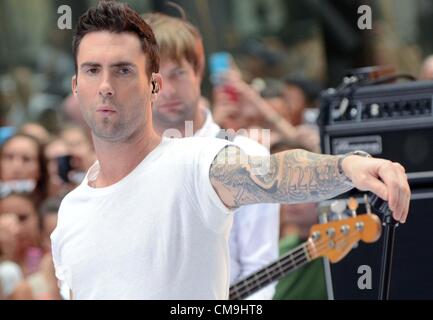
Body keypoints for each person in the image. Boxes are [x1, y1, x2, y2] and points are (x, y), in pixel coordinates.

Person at [51, 0, 410, 300]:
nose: (106, 86)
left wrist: (349, 166)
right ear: (76, 86)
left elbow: (272, 174)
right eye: (92, 70)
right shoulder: (71, 212)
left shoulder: (195, 163)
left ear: (153, 85)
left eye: (124, 70)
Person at [144, 12, 279, 299]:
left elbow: (261, 268)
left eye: (177, 73)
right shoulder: (126, 164)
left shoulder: (248, 155)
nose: (167, 90)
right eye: (156, 78)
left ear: (198, 70)